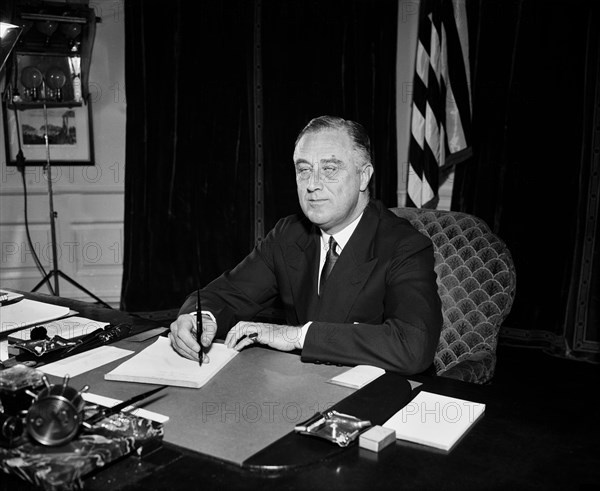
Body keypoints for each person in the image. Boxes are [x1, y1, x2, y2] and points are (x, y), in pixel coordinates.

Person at [169, 115, 442, 374]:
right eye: (304, 170)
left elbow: (413, 346)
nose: (312, 184)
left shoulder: (404, 245)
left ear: (364, 176)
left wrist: (297, 336)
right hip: (297, 387)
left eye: (330, 169)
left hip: (372, 401)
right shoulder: (288, 235)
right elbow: (228, 293)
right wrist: (199, 318)